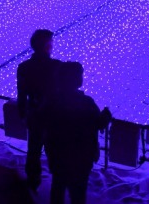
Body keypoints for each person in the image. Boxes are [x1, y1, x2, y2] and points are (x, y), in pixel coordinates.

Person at [42, 62, 112, 204]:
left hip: (57, 153)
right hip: (81, 156)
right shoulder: (85, 102)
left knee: (58, 186)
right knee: (78, 192)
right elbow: (97, 124)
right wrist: (106, 116)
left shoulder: (51, 101)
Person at [17, 29, 62, 191]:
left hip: (34, 114)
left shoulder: (24, 67)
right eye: (50, 42)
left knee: (34, 149)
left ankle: (33, 180)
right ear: (46, 45)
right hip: (53, 115)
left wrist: (23, 113)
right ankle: (58, 184)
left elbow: (21, 94)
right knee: (55, 150)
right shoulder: (57, 66)